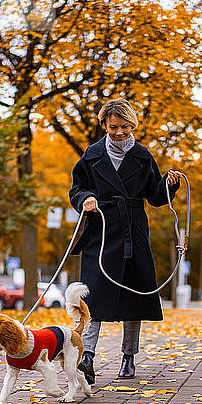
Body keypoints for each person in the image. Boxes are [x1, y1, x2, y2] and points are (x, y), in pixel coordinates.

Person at [69, 98, 182, 384]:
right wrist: (87, 198)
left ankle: (128, 358)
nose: (119, 132)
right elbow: (77, 189)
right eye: (113, 127)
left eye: (124, 127)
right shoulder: (92, 155)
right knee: (92, 297)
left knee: (134, 296)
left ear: (132, 125)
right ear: (104, 125)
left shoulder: (143, 156)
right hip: (102, 233)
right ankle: (87, 357)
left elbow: (155, 198)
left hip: (134, 232)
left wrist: (168, 184)